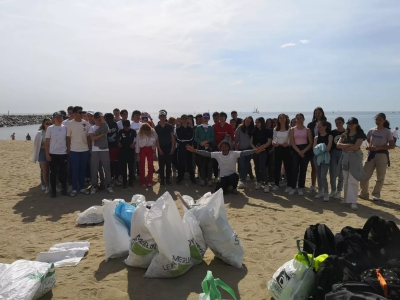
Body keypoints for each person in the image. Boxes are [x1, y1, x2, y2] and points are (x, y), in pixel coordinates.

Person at [186, 141, 263, 194]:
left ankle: (233, 188)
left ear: (228, 147)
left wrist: (255, 151)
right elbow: (206, 153)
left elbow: (244, 153)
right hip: (223, 177)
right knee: (220, 192)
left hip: (233, 176)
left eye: (226, 146)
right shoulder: (218, 154)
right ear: (220, 148)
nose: (224, 148)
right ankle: (227, 187)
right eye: (222, 147)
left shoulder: (234, 154)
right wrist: (194, 150)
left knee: (234, 177)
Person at [359, 113, 395, 201]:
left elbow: (392, 145)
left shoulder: (387, 131)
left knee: (380, 177)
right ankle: (363, 194)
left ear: (384, 120)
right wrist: (368, 145)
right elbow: (367, 140)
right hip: (371, 154)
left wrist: (379, 147)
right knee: (364, 175)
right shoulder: (371, 130)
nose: (377, 121)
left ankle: (376, 194)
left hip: (382, 155)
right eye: (376, 119)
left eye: (379, 120)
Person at [337, 118, 366, 210]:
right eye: (349, 123)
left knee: (353, 180)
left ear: (356, 124)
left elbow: (356, 147)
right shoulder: (345, 134)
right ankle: (346, 199)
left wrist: (345, 147)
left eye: (352, 123)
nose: (350, 125)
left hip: (355, 158)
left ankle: (353, 201)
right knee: (346, 179)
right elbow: (338, 145)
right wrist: (348, 145)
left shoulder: (360, 134)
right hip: (345, 157)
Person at [66, 106, 91, 197]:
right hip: (74, 150)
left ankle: (82, 188)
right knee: (75, 170)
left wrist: (89, 148)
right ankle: (74, 189)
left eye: (82, 112)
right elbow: (68, 137)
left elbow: (88, 137)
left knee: (83, 170)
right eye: (80, 112)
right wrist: (68, 148)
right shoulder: (70, 124)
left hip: (84, 150)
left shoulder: (86, 123)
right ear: (75, 114)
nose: (82, 114)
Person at [88, 112, 113, 195]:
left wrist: (102, 120)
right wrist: (102, 134)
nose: (99, 121)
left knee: (107, 168)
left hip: (104, 149)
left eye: (101, 119)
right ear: (94, 119)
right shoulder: (91, 128)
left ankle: (108, 185)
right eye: (98, 119)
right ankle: (94, 185)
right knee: (94, 168)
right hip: (95, 150)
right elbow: (92, 138)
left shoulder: (105, 126)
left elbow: (107, 129)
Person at [307, 107, 331, 192]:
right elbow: (309, 137)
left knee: (323, 170)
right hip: (313, 147)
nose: (317, 114)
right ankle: (313, 185)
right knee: (314, 168)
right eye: (316, 113)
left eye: (319, 113)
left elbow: (328, 136)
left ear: (322, 113)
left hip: (324, 149)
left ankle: (323, 188)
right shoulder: (310, 125)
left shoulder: (327, 124)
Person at [45, 112, 68, 198]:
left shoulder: (65, 128)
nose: (59, 119)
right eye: (57, 117)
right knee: (53, 173)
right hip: (53, 154)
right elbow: (47, 142)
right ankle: (53, 191)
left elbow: (67, 140)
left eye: (61, 117)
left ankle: (64, 189)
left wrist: (68, 150)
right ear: (53, 118)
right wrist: (47, 154)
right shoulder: (50, 128)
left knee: (63, 173)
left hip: (63, 153)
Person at [289, 113, 313, 196]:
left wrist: (304, 151)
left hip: (305, 149)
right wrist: (299, 151)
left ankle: (300, 187)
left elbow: (310, 143)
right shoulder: (292, 129)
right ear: (295, 119)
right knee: (295, 169)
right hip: (296, 149)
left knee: (303, 169)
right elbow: (292, 142)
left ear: (303, 119)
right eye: (297, 118)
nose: (299, 120)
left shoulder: (307, 130)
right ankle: (293, 187)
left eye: (301, 118)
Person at [250, 117, 272, 192]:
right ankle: (258, 182)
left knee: (263, 167)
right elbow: (251, 142)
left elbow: (269, 141)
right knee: (256, 167)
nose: (257, 124)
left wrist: (261, 148)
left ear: (262, 122)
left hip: (263, 151)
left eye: (258, 122)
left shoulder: (267, 130)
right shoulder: (254, 130)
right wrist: (255, 149)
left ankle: (266, 184)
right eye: (256, 122)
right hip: (255, 151)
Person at [313, 121, 333, 201]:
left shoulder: (329, 136)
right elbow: (314, 149)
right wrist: (321, 149)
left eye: (320, 127)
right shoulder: (316, 137)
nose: (319, 129)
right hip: (317, 158)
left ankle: (326, 193)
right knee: (318, 175)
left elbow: (328, 149)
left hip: (325, 158)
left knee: (323, 176)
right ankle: (320, 191)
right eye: (318, 127)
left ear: (325, 127)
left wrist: (320, 149)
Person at [272, 114, 293, 192]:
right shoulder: (275, 129)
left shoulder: (289, 128)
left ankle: (289, 185)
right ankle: (276, 184)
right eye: (280, 118)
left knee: (288, 167)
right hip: (278, 148)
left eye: (283, 118)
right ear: (278, 119)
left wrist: (288, 144)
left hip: (286, 148)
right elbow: (273, 140)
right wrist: (274, 143)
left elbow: (291, 140)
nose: (282, 119)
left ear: (286, 119)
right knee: (277, 167)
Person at [155, 110, 175, 186]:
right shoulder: (157, 127)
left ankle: (168, 179)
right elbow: (157, 139)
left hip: (169, 147)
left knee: (168, 164)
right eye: (161, 116)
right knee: (161, 164)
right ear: (159, 117)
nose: (162, 117)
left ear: (165, 117)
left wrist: (172, 148)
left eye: (164, 116)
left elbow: (172, 138)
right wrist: (159, 149)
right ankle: (162, 179)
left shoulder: (170, 126)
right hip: (161, 147)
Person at [195, 112, 215, 186]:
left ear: (209, 119)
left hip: (209, 147)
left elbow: (212, 137)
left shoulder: (210, 127)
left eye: (207, 118)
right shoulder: (198, 127)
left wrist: (207, 141)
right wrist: (201, 142)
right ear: (202, 118)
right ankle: (202, 179)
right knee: (202, 164)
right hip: (200, 147)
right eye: (204, 118)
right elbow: (196, 138)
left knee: (209, 164)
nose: (205, 119)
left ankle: (209, 179)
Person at [175, 114, 196, 185]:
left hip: (189, 148)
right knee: (181, 163)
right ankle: (180, 178)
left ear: (187, 120)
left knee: (189, 163)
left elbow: (192, 138)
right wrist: (185, 142)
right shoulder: (178, 129)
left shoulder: (191, 129)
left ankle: (192, 178)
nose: (184, 120)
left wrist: (186, 143)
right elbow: (178, 139)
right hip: (181, 148)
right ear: (181, 120)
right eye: (183, 119)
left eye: (185, 118)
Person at [33, 118, 52, 194]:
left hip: (52, 152)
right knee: (45, 171)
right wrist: (46, 147)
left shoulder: (53, 131)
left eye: (50, 123)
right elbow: (37, 145)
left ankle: (54, 185)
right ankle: (46, 186)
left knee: (53, 170)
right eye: (47, 123)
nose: (49, 125)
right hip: (42, 153)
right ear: (43, 124)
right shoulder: (40, 133)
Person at [329, 117, 346, 199]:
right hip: (333, 152)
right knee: (332, 172)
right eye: (336, 123)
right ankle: (333, 190)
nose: (338, 124)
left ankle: (339, 191)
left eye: (339, 122)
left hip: (343, 152)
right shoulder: (333, 132)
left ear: (343, 123)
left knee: (341, 173)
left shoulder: (346, 132)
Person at [236, 117, 254, 188]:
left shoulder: (252, 129)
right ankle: (243, 180)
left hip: (249, 149)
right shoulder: (239, 128)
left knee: (247, 165)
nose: (248, 122)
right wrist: (236, 149)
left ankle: (244, 180)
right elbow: (236, 139)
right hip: (241, 150)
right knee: (242, 165)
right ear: (244, 120)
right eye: (247, 121)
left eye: (249, 122)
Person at [118, 120, 137, 188]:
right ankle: (124, 182)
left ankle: (131, 182)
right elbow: (118, 139)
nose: (127, 128)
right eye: (125, 127)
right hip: (123, 151)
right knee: (123, 168)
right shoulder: (121, 131)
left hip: (131, 151)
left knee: (131, 167)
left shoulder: (133, 131)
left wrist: (134, 144)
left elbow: (136, 139)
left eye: (128, 127)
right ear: (123, 126)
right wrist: (119, 143)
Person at [104, 113, 121, 186]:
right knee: (109, 163)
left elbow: (117, 134)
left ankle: (116, 178)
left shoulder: (115, 124)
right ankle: (110, 179)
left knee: (116, 163)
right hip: (107, 147)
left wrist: (118, 142)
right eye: (108, 119)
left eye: (110, 118)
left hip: (115, 146)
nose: (109, 120)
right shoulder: (104, 125)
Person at [211, 112, 220, 181]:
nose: (215, 119)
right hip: (214, 147)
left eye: (217, 118)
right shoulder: (212, 127)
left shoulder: (223, 126)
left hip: (223, 148)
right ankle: (216, 176)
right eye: (214, 118)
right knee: (214, 163)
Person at [266, 118, 275, 183]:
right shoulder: (264, 130)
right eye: (268, 122)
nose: (269, 123)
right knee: (265, 164)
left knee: (271, 164)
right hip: (265, 149)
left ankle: (271, 178)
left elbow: (275, 140)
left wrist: (272, 149)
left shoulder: (273, 130)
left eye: (270, 122)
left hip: (272, 149)